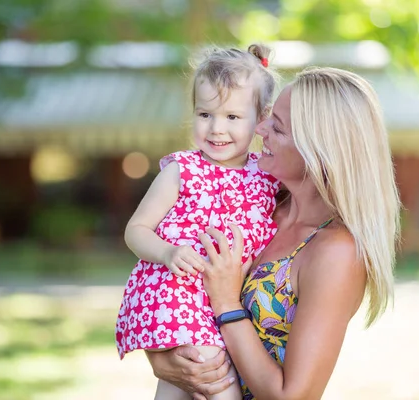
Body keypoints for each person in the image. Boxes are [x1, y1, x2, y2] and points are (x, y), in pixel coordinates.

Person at [146, 67, 401, 400]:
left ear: (318, 151)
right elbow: (174, 290)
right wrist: (165, 360)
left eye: (277, 127)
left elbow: (291, 395)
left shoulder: (335, 251)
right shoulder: (258, 205)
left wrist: (226, 303)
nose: (260, 129)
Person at [115, 44, 280, 400]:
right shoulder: (182, 170)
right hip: (179, 294)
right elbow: (136, 229)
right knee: (214, 379)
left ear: (261, 117)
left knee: (176, 387)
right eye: (205, 114)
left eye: (233, 117)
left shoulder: (267, 177)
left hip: (227, 302)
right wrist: (168, 252)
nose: (217, 129)